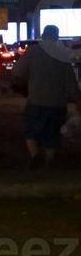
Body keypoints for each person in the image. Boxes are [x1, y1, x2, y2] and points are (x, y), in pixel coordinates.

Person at [15, 25, 81, 168]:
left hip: (36, 100)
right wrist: (77, 100)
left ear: (43, 35)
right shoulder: (62, 55)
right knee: (52, 135)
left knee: (30, 130)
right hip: (58, 103)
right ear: (56, 37)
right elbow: (71, 83)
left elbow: (18, 73)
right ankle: (48, 163)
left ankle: (34, 155)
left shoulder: (33, 52)